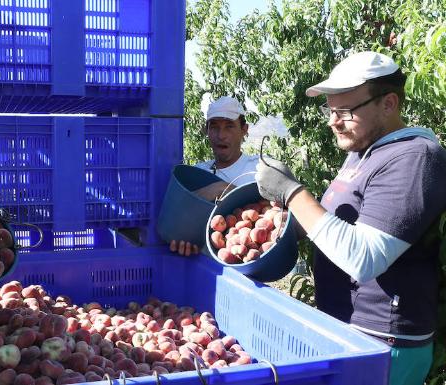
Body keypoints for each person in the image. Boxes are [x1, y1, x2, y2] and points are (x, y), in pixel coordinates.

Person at [255, 51, 446, 385]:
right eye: (330, 110)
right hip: (348, 330)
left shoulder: (414, 157)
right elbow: (335, 227)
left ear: (388, 104)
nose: (333, 121)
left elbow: (364, 258)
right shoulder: (362, 152)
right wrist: (280, 225)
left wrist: (293, 192)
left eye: (344, 111)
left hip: (384, 344)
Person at [171, 96, 258, 255]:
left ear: (244, 130)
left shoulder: (259, 170)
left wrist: (226, 191)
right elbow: (175, 218)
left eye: (229, 127)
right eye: (214, 127)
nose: (221, 135)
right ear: (206, 131)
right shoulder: (198, 174)